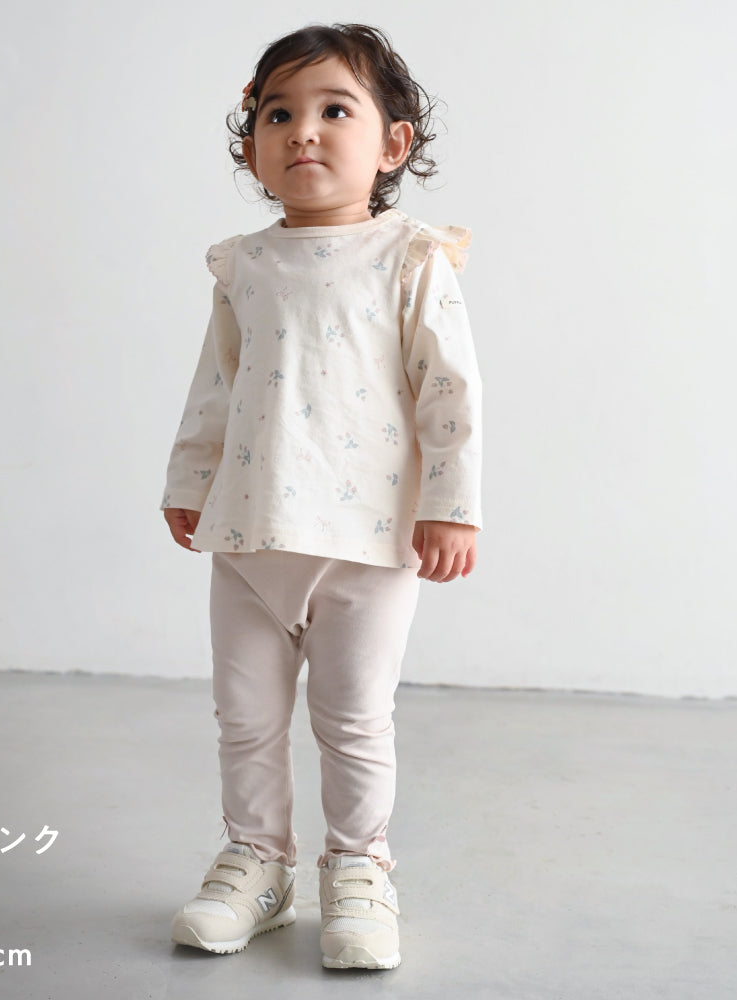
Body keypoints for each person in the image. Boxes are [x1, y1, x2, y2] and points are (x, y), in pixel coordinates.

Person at [161, 22, 482, 970]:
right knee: (246, 716)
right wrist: (190, 480)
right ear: (252, 147)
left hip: (367, 542)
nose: (303, 130)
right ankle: (258, 861)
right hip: (250, 537)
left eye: (334, 109)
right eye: (277, 114)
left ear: (392, 143)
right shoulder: (244, 265)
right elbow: (216, 384)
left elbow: (449, 390)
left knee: (353, 719)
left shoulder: (410, 258)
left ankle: (358, 866)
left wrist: (452, 504)